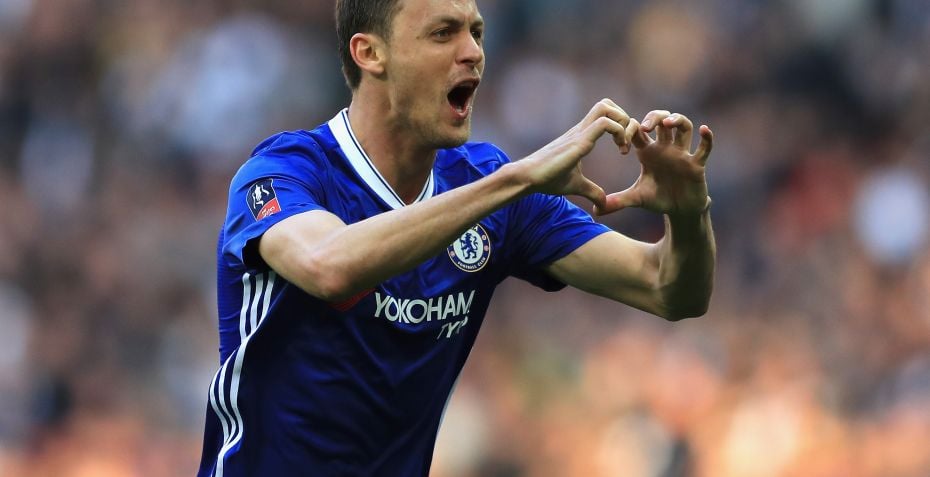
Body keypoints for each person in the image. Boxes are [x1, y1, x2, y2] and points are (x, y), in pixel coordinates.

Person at [197, 0, 716, 475]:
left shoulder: (488, 187)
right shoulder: (283, 173)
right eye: (443, 33)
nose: (473, 53)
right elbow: (328, 266)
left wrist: (689, 213)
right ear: (370, 53)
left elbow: (670, 290)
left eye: (477, 32)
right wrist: (517, 180)